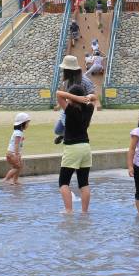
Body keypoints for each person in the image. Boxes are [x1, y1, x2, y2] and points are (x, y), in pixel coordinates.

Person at [59, 84, 95, 213]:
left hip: (72, 148)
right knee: (83, 183)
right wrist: (86, 97)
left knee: (63, 182)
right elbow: (94, 98)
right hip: (86, 147)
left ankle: (69, 210)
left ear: (72, 98)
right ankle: (84, 212)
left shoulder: (71, 110)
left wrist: (75, 98)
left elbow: (58, 94)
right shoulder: (89, 108)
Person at [54, 56, 97, 144]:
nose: (63, 71)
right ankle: (65, 136)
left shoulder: (84, 81)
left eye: (65, 69)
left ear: (69, 70)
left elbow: (93, 94)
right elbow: (63, 94)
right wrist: (59, 105)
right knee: (57, 130)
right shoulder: (66, 81)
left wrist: (84, 99)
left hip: (78, 110)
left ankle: (70, 138)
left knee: (71, 128)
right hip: (68, 107)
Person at [4, 112, 30, 185]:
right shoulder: (18, 133)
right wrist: (16, 154)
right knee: (17, 167)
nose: (28, 125)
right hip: (12, 154)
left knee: (18, 166)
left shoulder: (18, 132)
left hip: (12, 153)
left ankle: (15, 180)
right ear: (22, 124)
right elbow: (16, 144)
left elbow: (17, 142)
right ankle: (6, 179)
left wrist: (22, 139)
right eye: (27, 123)